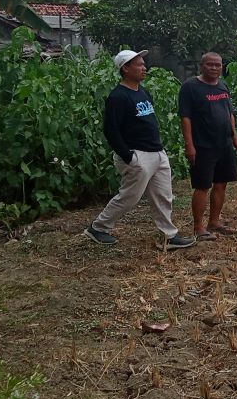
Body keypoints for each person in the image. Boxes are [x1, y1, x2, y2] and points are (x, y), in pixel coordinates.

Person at [84, 50, 196, 251]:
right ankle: (98, 227)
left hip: (156, 152)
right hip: (137, 155)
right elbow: (111, 130)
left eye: (144, 64)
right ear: (125, 69)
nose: (144, 68)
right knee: (129, 197)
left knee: (163, 195)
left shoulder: (143, 92)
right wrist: (129, 156)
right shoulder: (118, 97)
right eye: (139, 64)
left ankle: (168, 235)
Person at [178, 52, 237, 240]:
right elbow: (186, 118)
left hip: (223, 144)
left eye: (218, 65)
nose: (215, 68)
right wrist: (189, 145)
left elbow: (229, 114)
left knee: (221, 183)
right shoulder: (190, 87)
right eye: (210, 65)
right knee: (202, 186)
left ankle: (214, 221)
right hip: (203, 145)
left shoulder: (223, 86)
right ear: (202, 66)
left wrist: (236, 139)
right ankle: (198, 227)